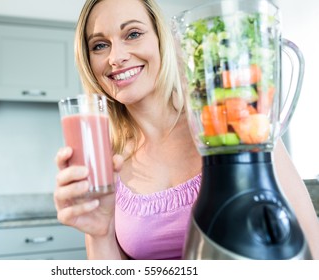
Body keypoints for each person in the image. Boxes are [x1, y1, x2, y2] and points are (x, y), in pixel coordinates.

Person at [53, 0, 319, 260]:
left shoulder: (229, 124)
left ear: (161, 40)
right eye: (100, 45)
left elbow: (312, 249)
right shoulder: (109, 162)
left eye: (133, 34)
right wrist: (99, 234)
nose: (116, 57)